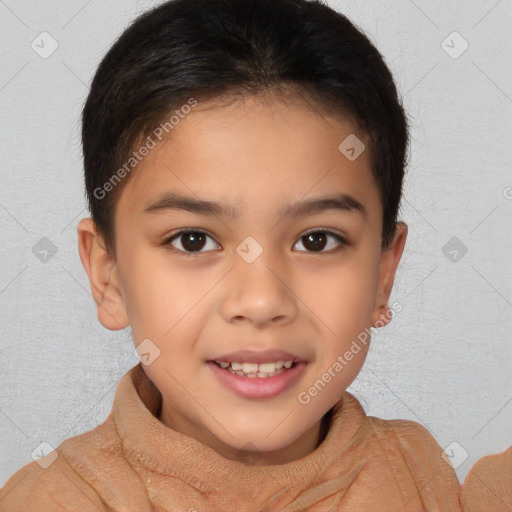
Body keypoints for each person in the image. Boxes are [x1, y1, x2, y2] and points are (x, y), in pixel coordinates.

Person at [1, 0, 510, 510]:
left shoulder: (430, 483)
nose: (262, 301)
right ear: (108, 276)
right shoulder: (51, 500)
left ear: (384, 272)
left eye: (317, 240)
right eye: (193, 240)